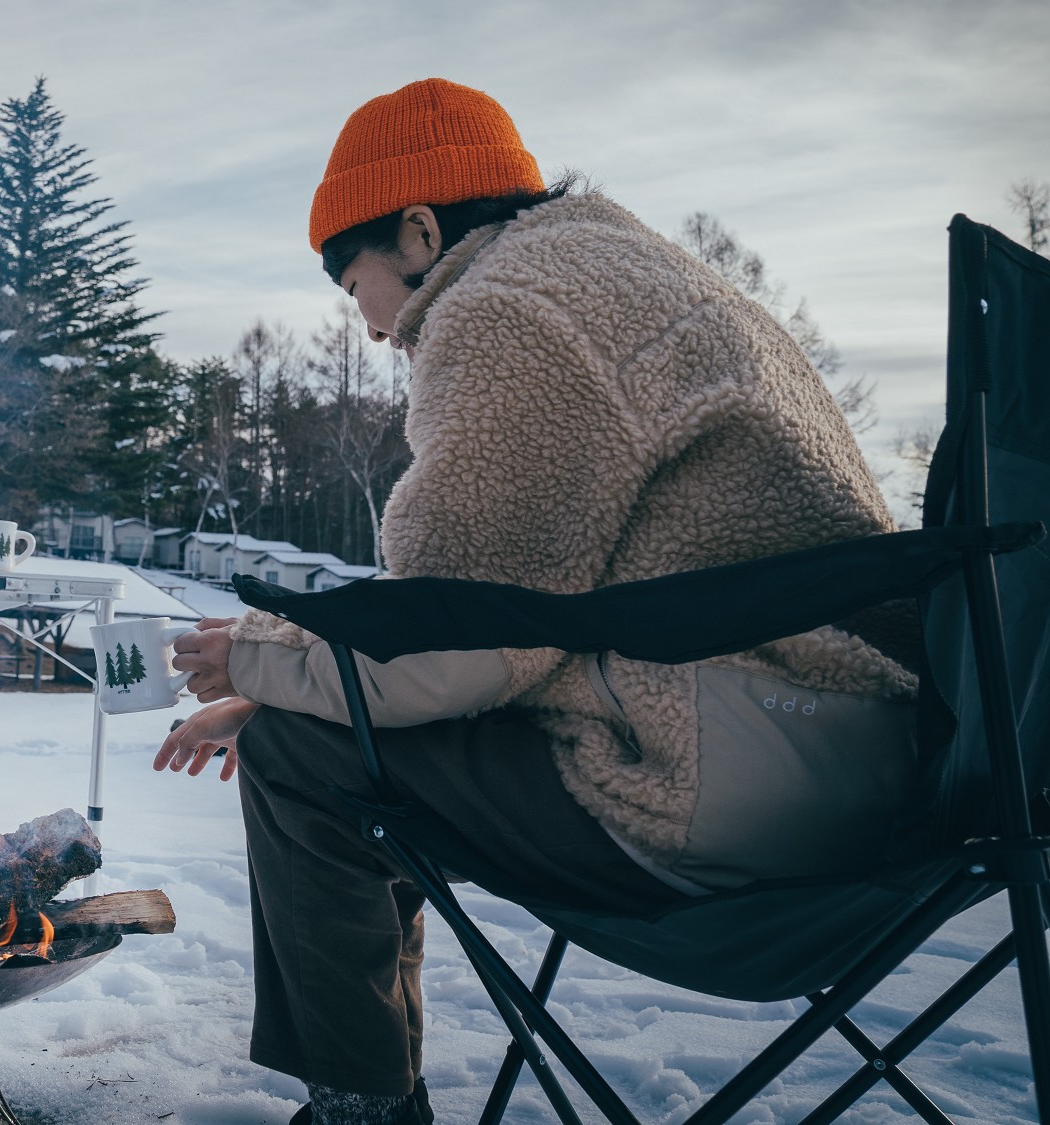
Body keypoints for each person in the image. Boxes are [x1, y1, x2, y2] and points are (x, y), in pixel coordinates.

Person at [153, 79, 921, 1125]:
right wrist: (281, 681)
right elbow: (531, 605)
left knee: (304, 764)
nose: (375, 333)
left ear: (418, 231)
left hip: (720, 780)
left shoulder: (505, 313)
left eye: (355, 289)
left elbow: (460, 646)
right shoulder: (625, 274)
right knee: (321, 730)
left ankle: (359, 1110)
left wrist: (254, 664)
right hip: (859, 761)